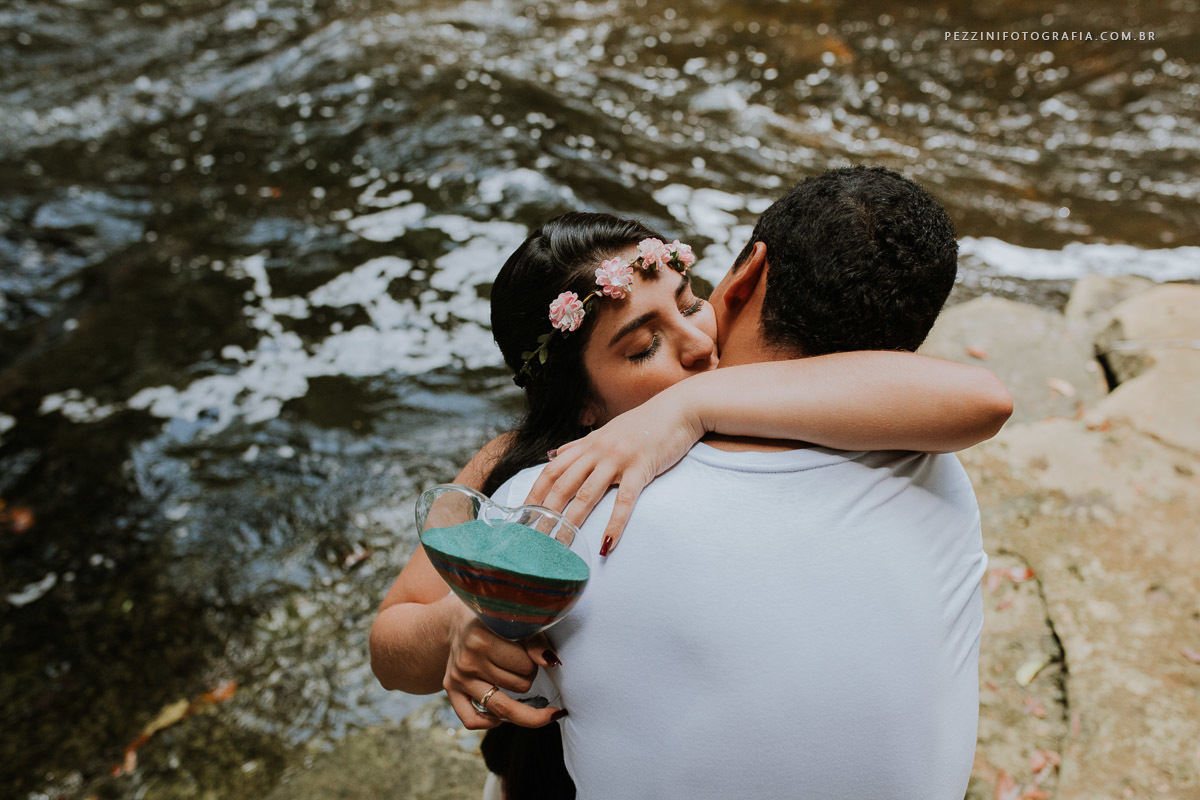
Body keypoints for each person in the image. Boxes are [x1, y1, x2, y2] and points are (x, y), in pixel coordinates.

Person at [370, 170, 1010, 798]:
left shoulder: (753, 406)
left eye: (689, 303)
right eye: (645, 346)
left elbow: (980, 399)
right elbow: (390, 645)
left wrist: (689, 404)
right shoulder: (518, 473)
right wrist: (467, 617)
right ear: (584, 404)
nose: (700, 345)